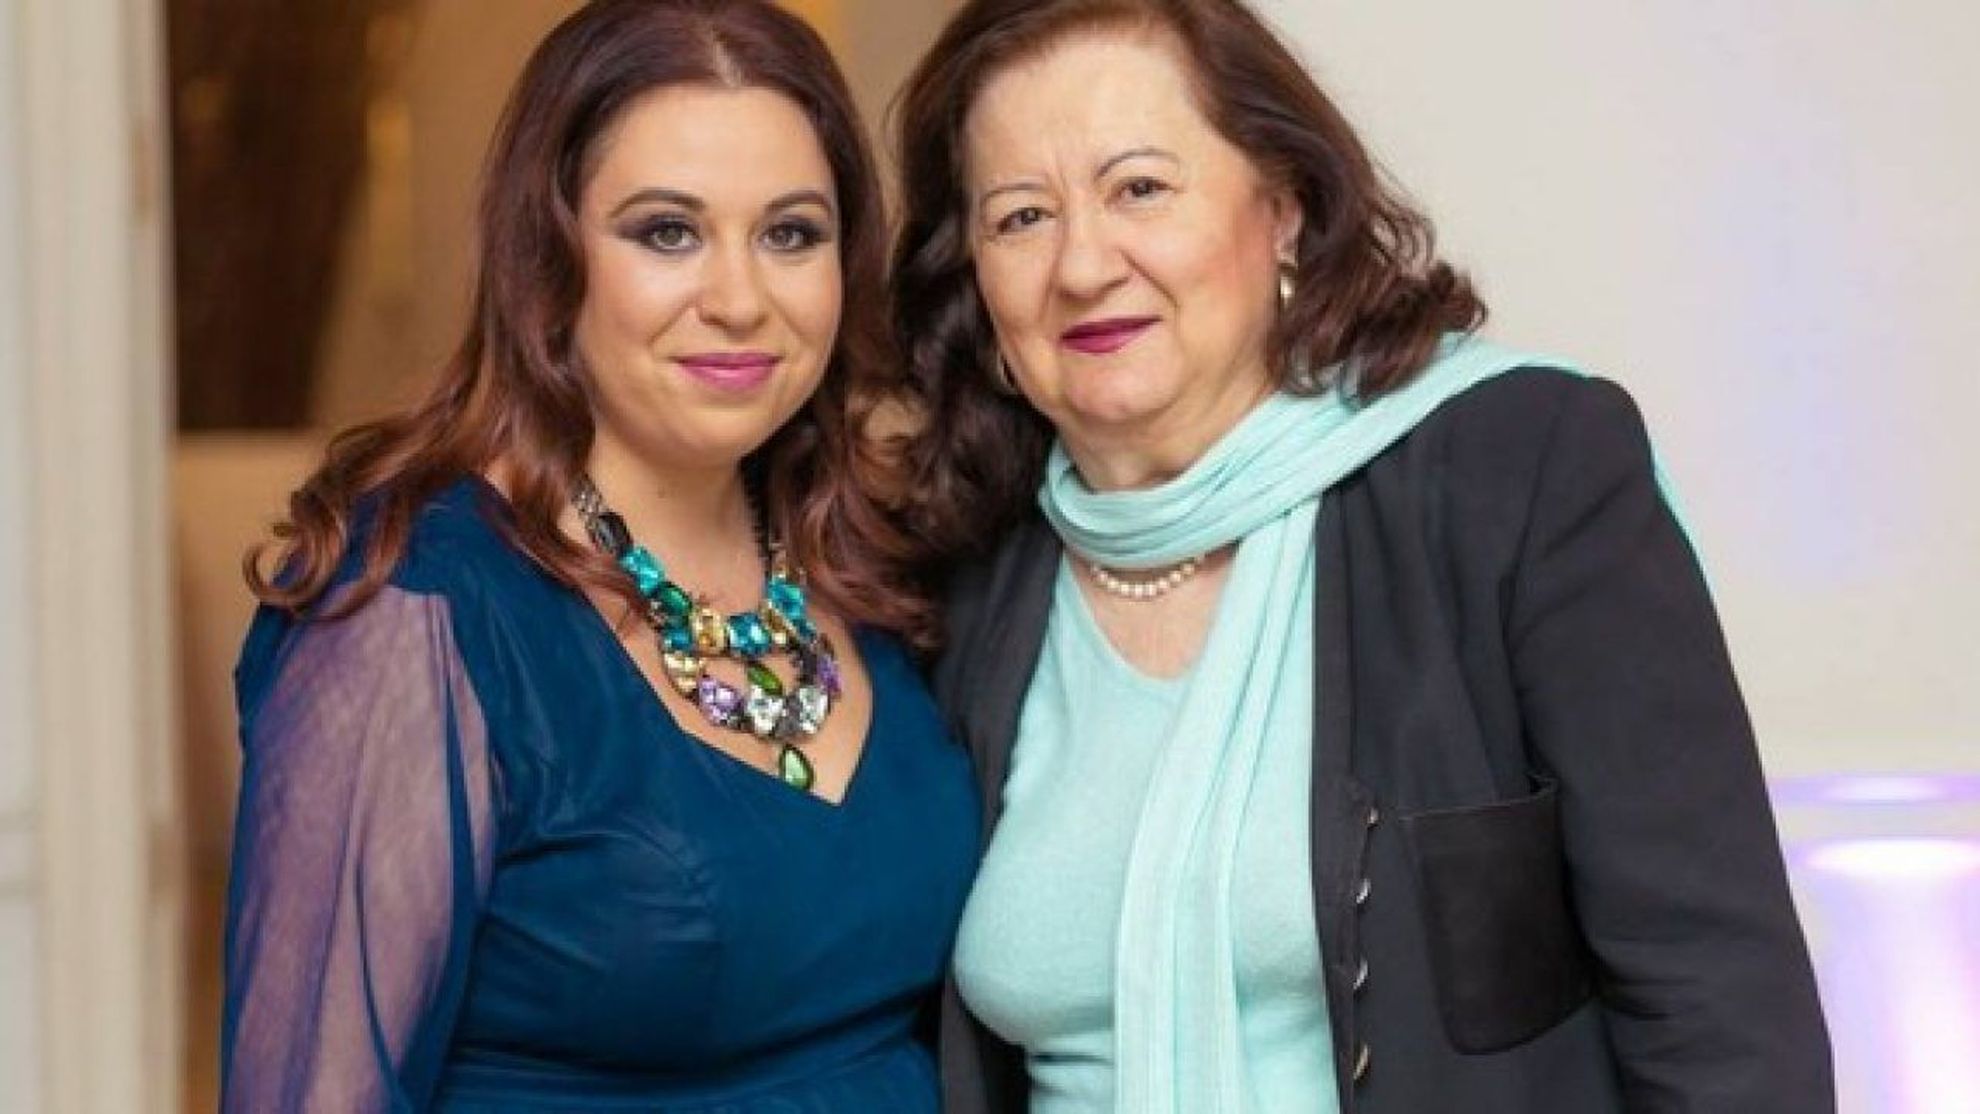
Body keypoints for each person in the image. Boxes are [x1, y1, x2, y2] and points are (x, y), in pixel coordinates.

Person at [890, 1, 1833, 1112]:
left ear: (1283, 209)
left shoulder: (1521, 472)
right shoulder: (957, 579)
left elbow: (1718, 1004)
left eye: (1139, 187)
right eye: (1021, 217)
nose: (1084, 263)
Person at [222, 2, 977, 1109]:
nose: (740, 300)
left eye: (790, 234)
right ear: (550, 258)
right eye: (667, 231)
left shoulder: (870, 561)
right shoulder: (414, 608)